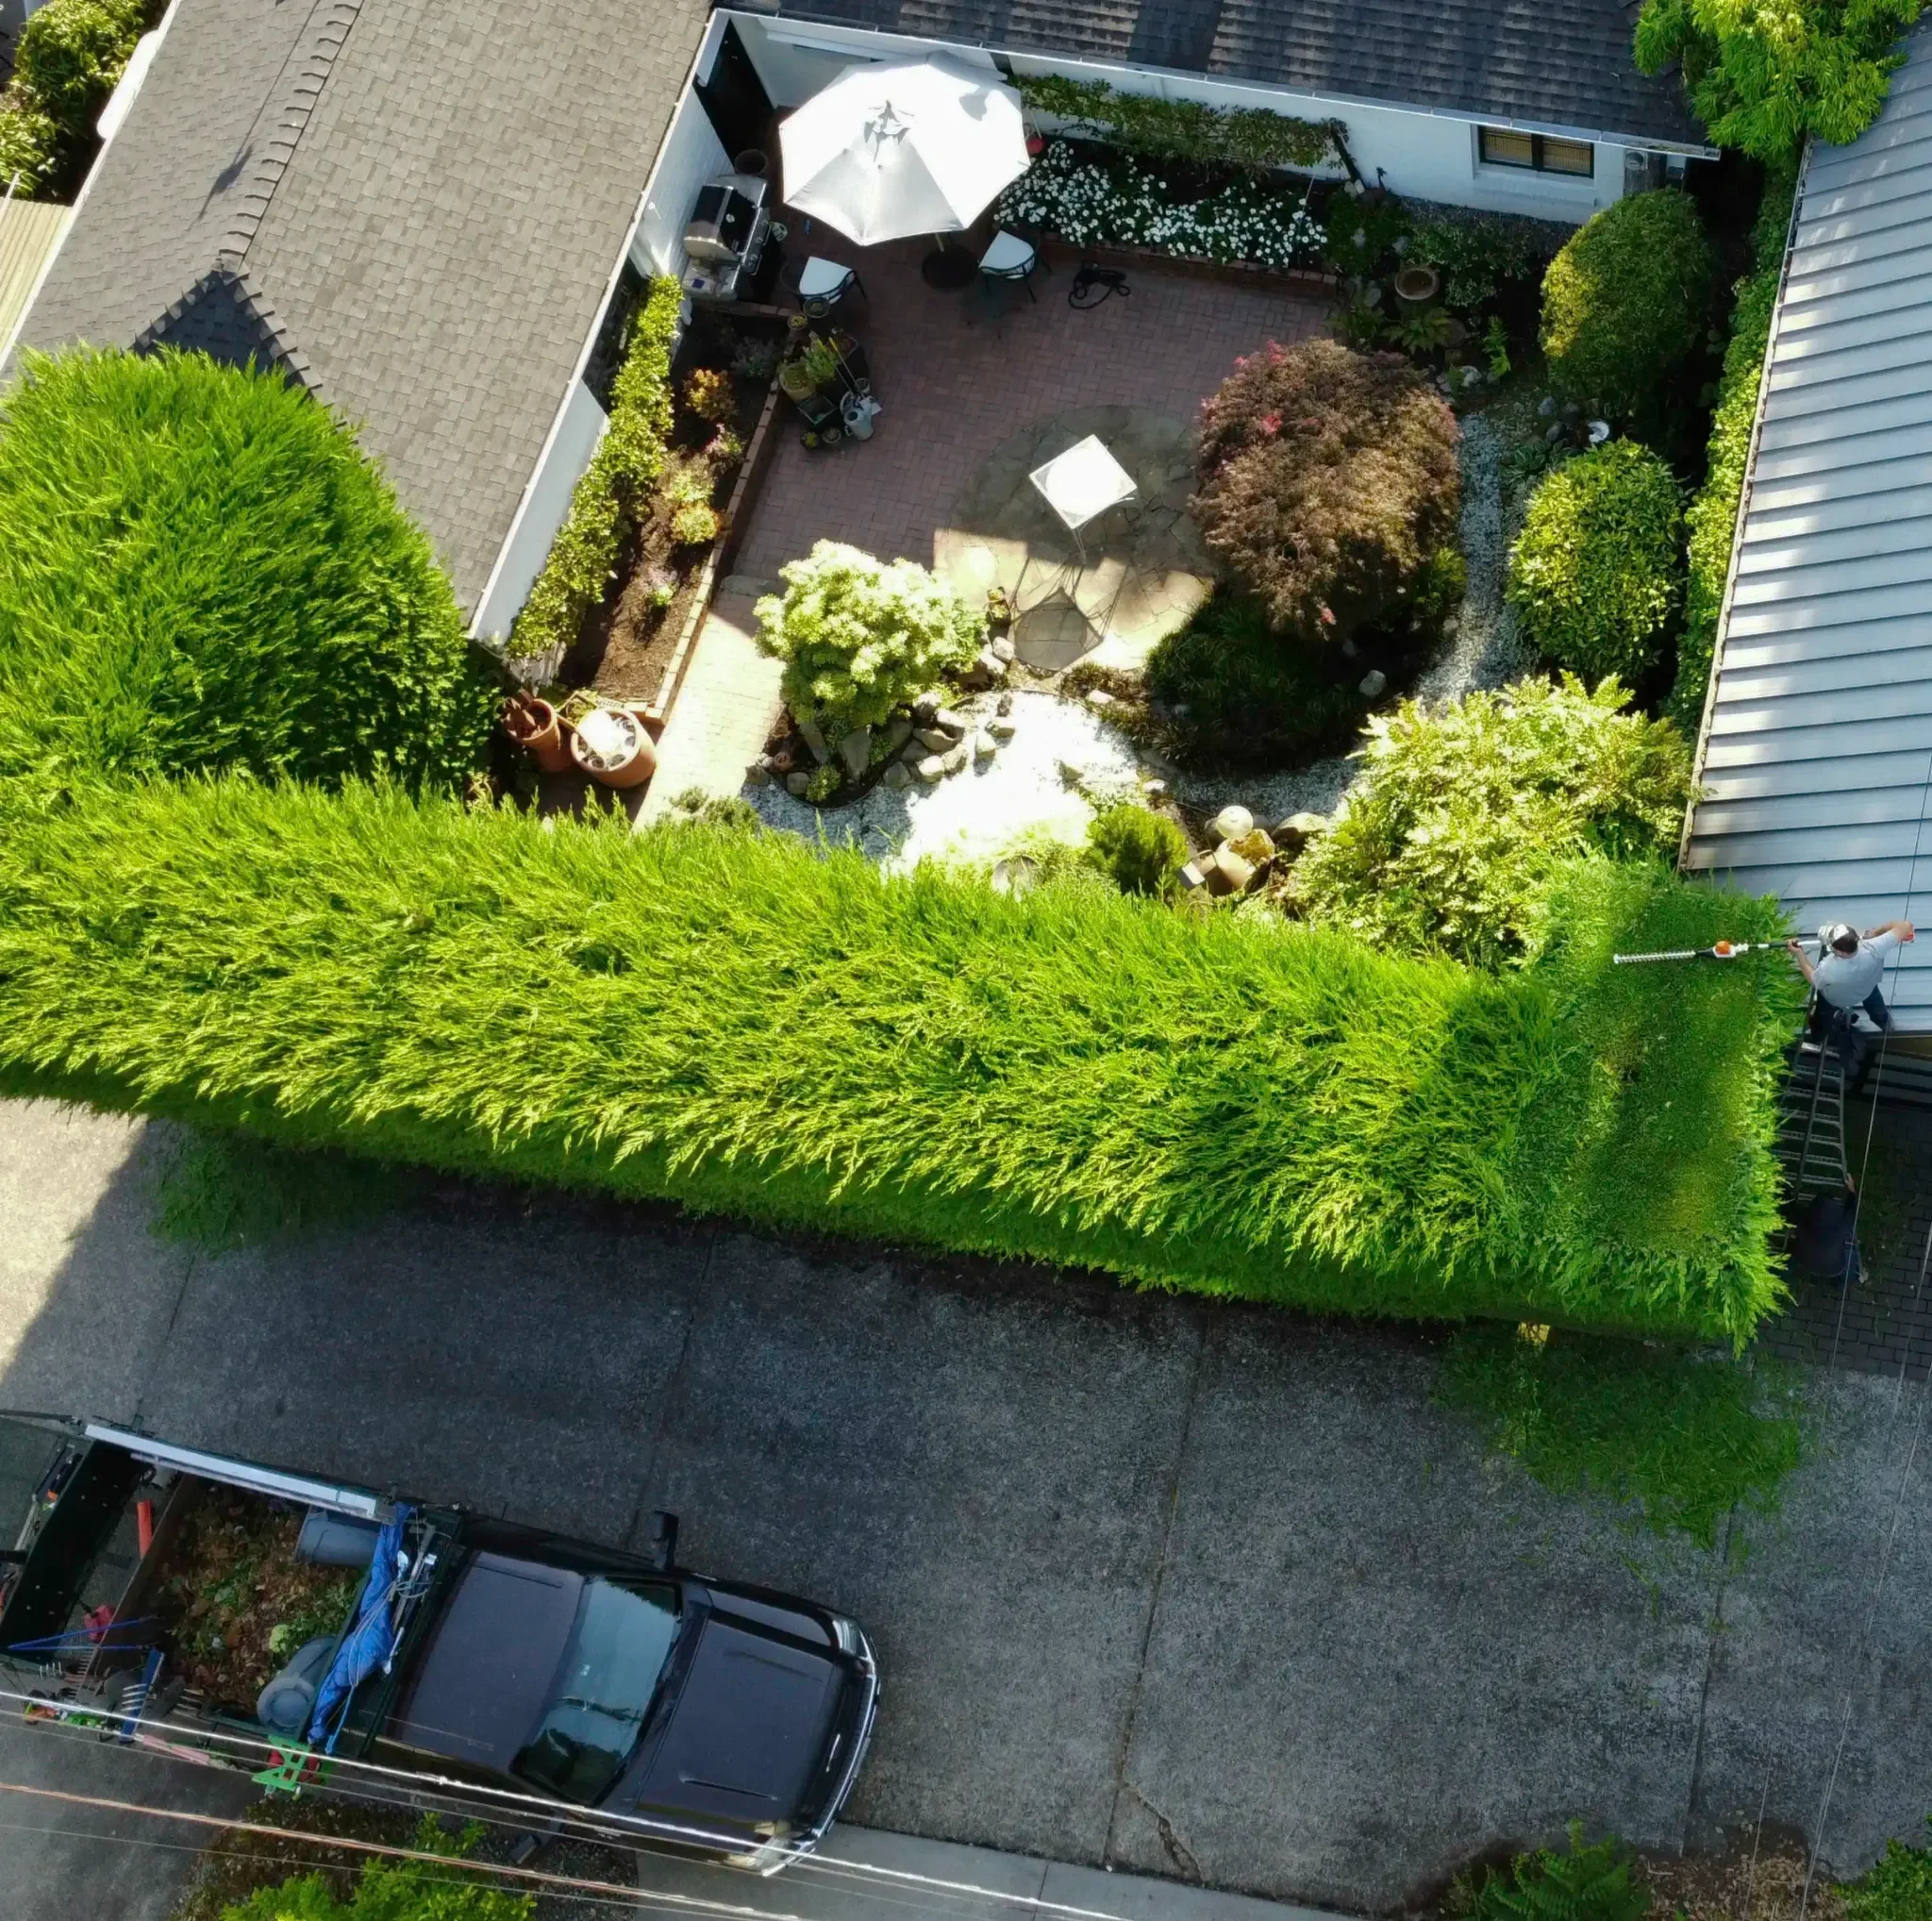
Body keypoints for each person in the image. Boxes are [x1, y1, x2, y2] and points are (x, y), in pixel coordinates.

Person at [1789, 919, 1915, 1036]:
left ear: (1839, 952)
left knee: (1822, 1016)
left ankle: (1819, 1032)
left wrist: (1799, 953)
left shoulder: (1828, 968)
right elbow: (1906, 926)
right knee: (1877, 1008)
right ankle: (1885, 1025)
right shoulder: (1874, 947)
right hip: (1867, 990)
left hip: (1835, 1000)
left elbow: (1814, 980)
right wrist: (1876, 932)